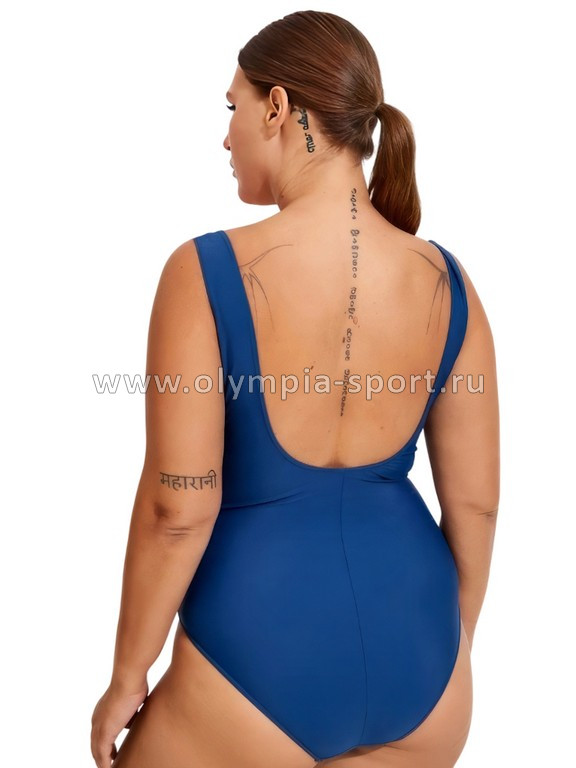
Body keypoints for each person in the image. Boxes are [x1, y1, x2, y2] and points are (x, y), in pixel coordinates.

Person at [91, 10, 499, 768]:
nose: (226, 137)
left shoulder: (205, 271)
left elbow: (178, 510)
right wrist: (453, 646)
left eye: (233, 107)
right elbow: (475, 505)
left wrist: (127, 674)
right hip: (424, 666)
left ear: (277, 108)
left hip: (253, 666)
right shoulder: (449, 282)